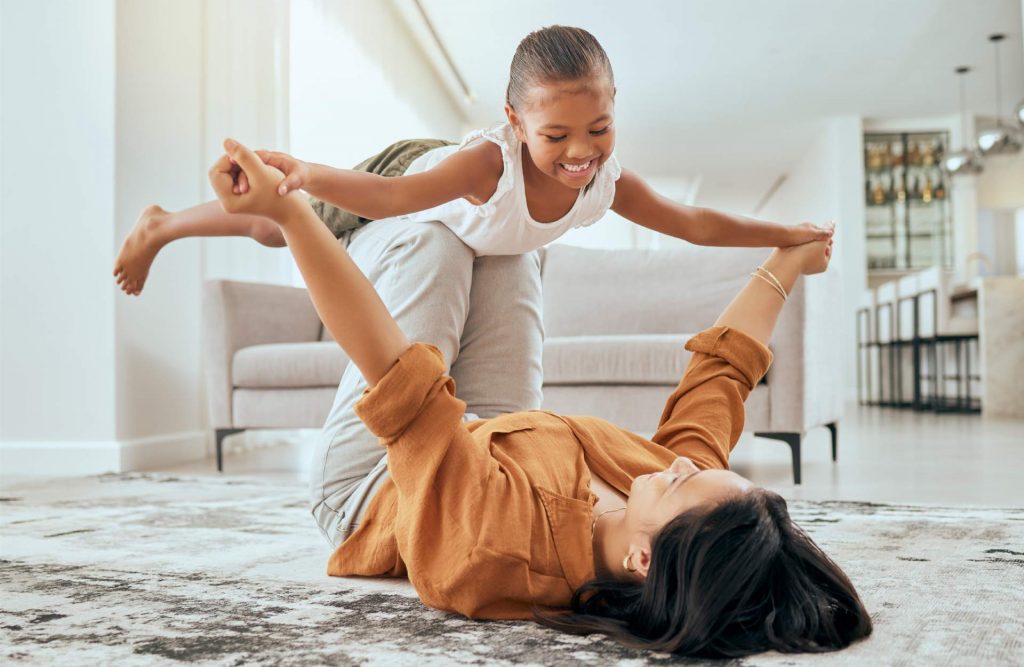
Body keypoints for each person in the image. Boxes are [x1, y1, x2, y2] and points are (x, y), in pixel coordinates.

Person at [208, 136, 872, 658]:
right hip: (492, 439)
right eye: (693, 469)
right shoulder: (669, 507)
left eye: (678, 482)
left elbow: (397, 374)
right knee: (509, 238)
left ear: (643, 561)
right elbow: (719, 381)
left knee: (435, 239)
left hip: (378, 484)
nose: (673, 464)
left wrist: (291, 214)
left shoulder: (493, 544)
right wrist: (788, 259)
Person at [113, 25, 833, 296]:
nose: (581, 152)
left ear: (615, 106)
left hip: (449, 203)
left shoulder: (603, 182)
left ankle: (172, 221)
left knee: (280, 226)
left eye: (601, 127)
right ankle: (162, 224)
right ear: (517, 124)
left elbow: (693, 221)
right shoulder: (489, 166)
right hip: (410, 167)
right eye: (556, 138)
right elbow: (392, 198)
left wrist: (783, 233)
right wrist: (303, 174)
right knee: (276, 225)